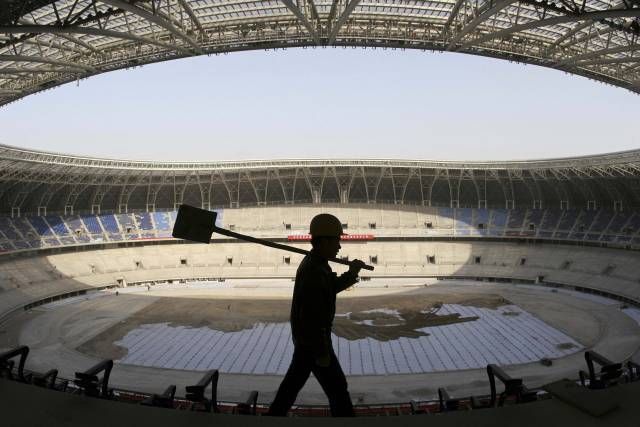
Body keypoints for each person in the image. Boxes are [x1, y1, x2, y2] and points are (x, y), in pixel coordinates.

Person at [267, 213, 366, 417]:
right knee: (338, 388)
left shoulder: (317, 265)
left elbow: (329, 288)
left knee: (292, 386)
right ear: (324, 241)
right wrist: (322, 351)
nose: (339, 247)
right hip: (314, 343)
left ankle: (273, 417)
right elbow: (311, 317)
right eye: (337, 240)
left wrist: (352, 273)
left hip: (307, 343)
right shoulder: (314, 270)